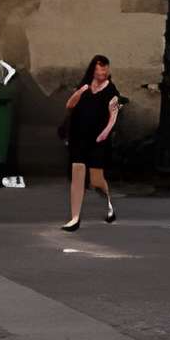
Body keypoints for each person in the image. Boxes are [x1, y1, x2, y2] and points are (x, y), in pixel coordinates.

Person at [62, 55, 121, 229]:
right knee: (78, 176)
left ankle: (108, 201)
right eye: (98, 69)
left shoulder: (111, 91)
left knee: (96, 180)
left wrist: (105, 132)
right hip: (79, 136)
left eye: (104, 68)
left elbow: (113, 115)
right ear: (93, 70)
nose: (102, 72)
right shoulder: (85, 86)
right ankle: (75, 218)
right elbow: (69, 105)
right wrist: (80, 92)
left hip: (97, 139)